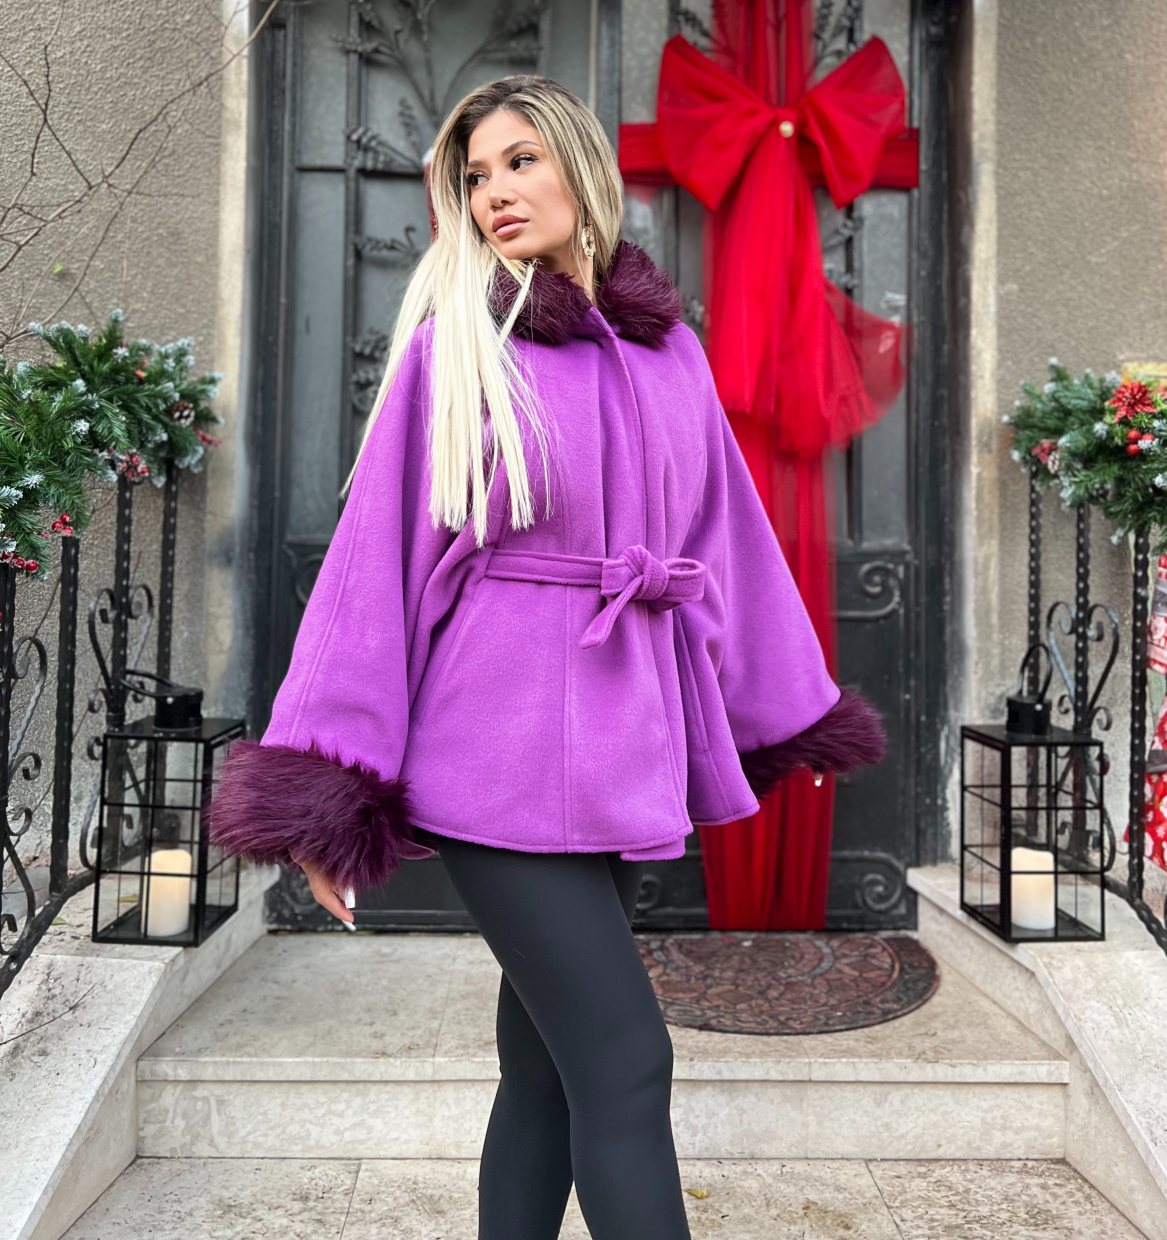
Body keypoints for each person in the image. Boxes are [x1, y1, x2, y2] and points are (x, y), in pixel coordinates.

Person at [208, 75, 886, 1240]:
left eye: (520, 161)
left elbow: (729, 539)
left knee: (547, 1074)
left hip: (623, 752)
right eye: (476, 175)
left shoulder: (670, 354)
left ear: (581, 167)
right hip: (492, 756)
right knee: (628, 1060)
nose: (495, 192)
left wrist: (780, 709)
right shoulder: (458, 349)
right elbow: (373, 569)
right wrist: (325, 787)